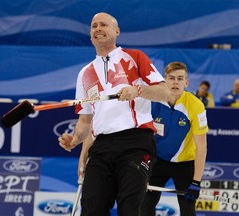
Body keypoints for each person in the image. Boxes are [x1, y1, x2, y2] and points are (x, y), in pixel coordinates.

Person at [58, 12, 170, 216]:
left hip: (136, 143)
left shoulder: (135, 57)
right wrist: (75, 138)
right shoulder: (84, 74)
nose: (98, 29)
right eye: (93, 26)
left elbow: (165, 91)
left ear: (116, 31)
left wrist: (138, 90)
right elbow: (85, 119)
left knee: (129, 207)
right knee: (92, 208)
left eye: (103, 25)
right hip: (101, 147)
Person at [140, 62, 208, 216]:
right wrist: (142, 172)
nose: (175, 82)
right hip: (157, 161)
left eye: (180, 78)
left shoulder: (196, 106)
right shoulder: (153, 101)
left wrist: (196, 182)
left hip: (184, 164)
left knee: (187, 210)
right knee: (144, 206)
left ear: (186, 82)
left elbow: (202, 147)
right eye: (171, 78)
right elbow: (142, 138)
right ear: (165, 80)